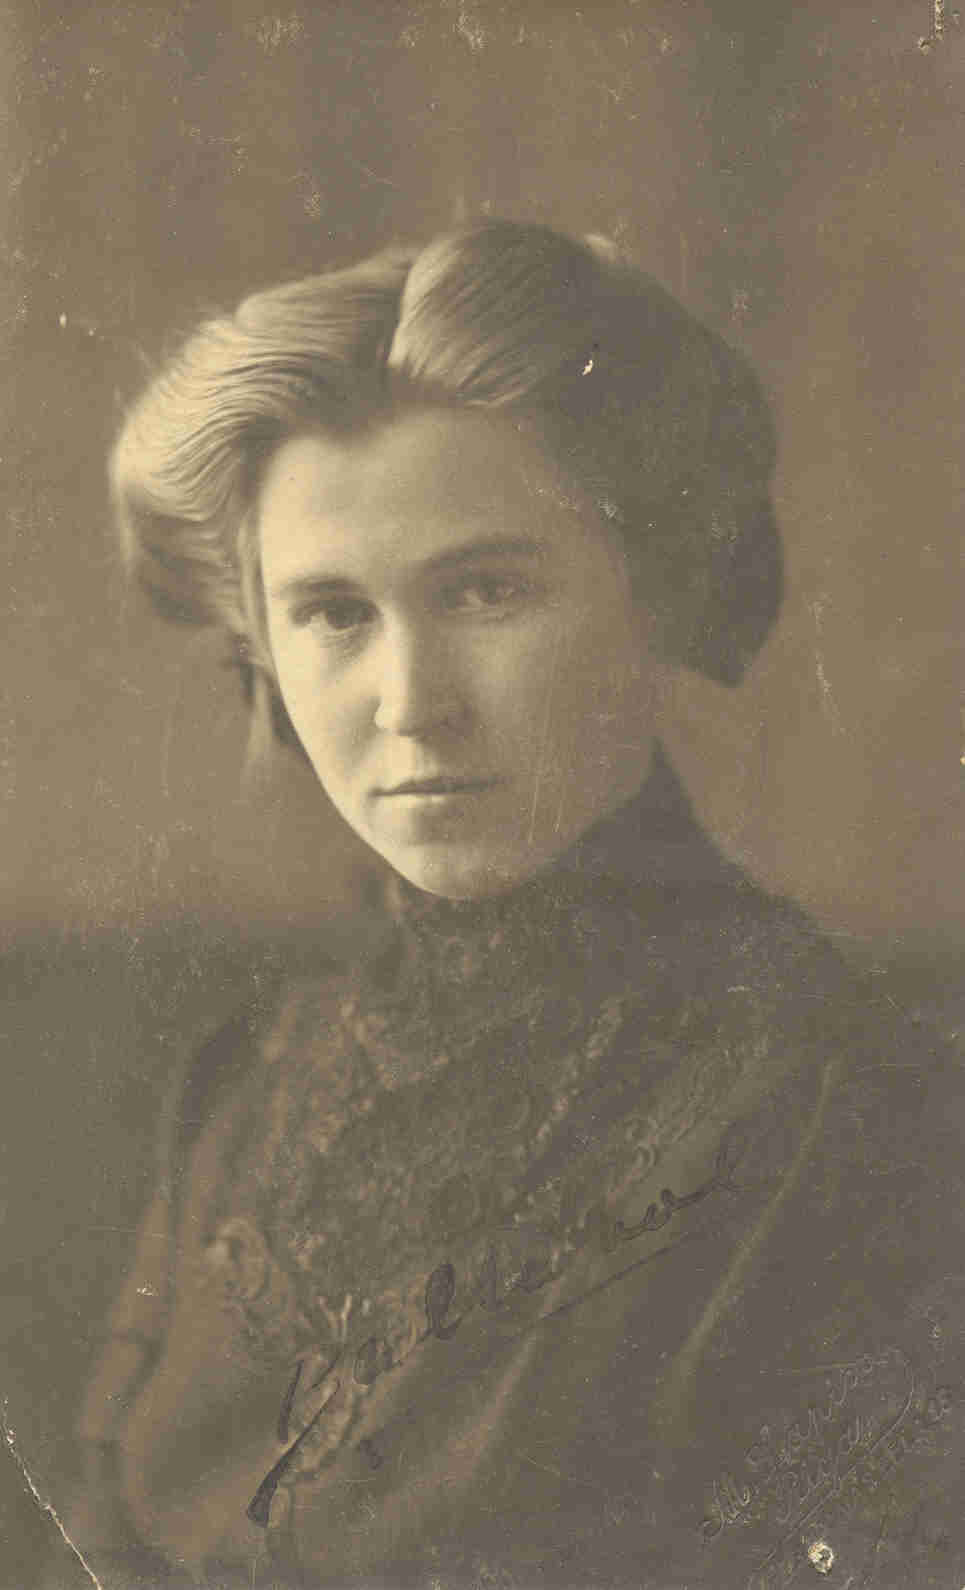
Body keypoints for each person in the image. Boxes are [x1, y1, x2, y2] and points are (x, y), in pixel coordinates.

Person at [64, 221, 965, 1590]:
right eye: (332, 613)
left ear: (656, 592)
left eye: (485, 591)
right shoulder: (245, 1095)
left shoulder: (845, 1108)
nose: (410, 702)